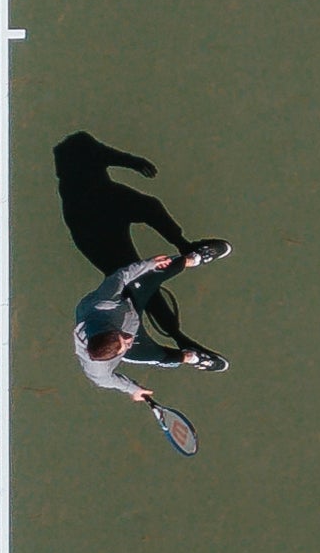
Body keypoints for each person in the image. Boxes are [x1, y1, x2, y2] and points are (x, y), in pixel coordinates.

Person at [54, 131, 220, 361]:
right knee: (142, 285)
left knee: (150, 207)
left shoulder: (83, 149)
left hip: (107, 199)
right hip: (93, 234)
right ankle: (179, 340)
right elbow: (105, 155)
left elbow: (106, 155)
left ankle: (185, 247)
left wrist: (135, 162)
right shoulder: (74, 195)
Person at [74, 244, 231, 455]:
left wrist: (148, 264)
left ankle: (193, 259)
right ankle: (193, 357)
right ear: (114, 356)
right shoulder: (97, 369)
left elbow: (120, 276)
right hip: (132, 331)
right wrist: (133, 389)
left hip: (128, 303)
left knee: (161, 267)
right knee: (162, 357)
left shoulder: (102, 303)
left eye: (122, 337)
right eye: (124, 346)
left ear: (108, 330)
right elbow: (108, 381)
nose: (128, 340)